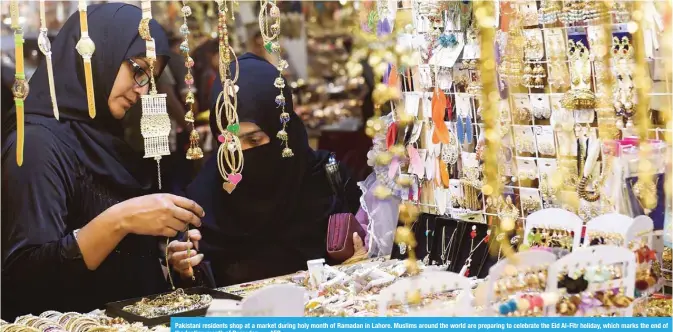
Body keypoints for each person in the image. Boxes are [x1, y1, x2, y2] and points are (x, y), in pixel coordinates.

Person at [1, 3, 204, 320]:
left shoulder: (109, 138)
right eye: (138, 70)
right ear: (93, 56)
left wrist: (171, 260)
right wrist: (120, 219)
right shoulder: (37, 143)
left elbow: (124, 264)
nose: (140, 90)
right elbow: (25, 278)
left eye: (150, 79)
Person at [166, 53, 362, 286]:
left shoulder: (326, 180)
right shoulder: (201, 202)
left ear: (283, 131)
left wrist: (359, 262)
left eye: (255, 141)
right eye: (230, 142)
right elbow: (196, 293)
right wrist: (185, 270)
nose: (242, 154)